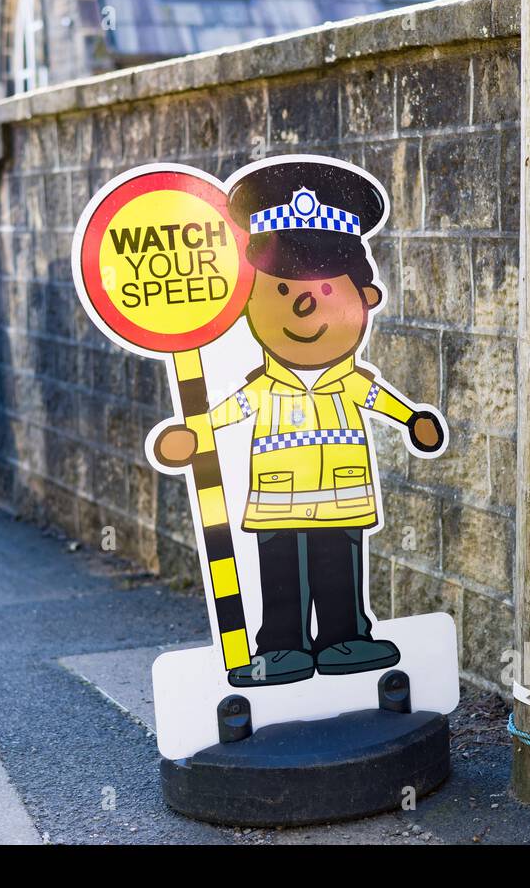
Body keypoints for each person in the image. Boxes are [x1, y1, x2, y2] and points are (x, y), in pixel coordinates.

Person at [154, 157, 445, 687]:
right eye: (281, 291)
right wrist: (193, 435)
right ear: (248, 307)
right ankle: (282, 646)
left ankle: (344, 638)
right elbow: (228, 412)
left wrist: (414, 421)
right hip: (276, 498)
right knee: (281, 571)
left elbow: (381, 399)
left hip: (342, 493)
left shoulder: (349, 382)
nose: (304, 307)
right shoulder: (263, 386)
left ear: (367, 300)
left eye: (327, 292)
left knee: (340, 567)